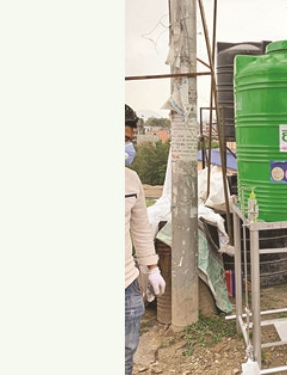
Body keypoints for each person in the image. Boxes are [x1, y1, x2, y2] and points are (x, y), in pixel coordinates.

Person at [125, 104, 166, 375]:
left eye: (127, 140)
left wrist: (152, 269)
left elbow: (140, 227)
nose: (126, 148)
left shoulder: (130, 180)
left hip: (126, 283)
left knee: (125, 353)